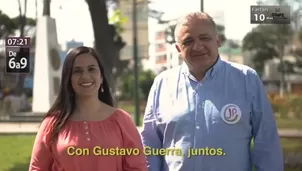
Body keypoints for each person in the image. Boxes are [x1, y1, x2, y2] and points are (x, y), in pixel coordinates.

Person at [141, 12, 283, 171]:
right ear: (178, 48)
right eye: (188, 41)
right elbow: (150, 144)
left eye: (204, 38)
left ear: (218, 40)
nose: (197, 46)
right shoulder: (162, 83)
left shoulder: (246, 79)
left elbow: (267, 142)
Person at [29, 46, 147, 171]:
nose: (85, 76)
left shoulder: (122, 120)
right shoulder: (52, 124)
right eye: (77, 71)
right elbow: (38, 168)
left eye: (92, 69)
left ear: (101, 77)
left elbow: (137, 167)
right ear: (68, 79)